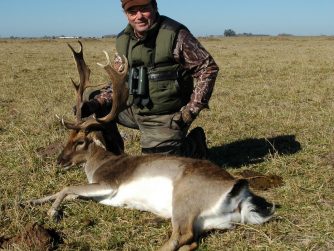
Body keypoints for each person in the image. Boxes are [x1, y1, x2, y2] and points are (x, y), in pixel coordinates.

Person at [80, 0, 219, 159]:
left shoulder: (175, 35)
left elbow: (207, 68)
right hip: (134, 108)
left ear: (154, 7)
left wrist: (190, 111)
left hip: (165, 116)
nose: (139, 16)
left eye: (144, 9)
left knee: (155, 169)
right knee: (91, 99)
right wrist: (96, 103)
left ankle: (194, 145)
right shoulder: (123, 40)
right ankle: (115, 159)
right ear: (126, 15)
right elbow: (121, 83)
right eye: (132, 11)